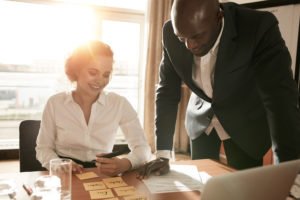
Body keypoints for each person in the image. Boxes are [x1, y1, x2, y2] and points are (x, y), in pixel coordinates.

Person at [138, 0, 300, 178]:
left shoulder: (258, 27)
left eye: (197, 36)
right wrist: (163, 154)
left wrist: (285, 168)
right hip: (201, 121)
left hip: (245, 124)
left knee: (244, 189)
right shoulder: (171, 32)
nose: (189, 45)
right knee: (200, 185)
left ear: (219, 17)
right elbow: (167, 90)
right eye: (182, 39)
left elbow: (279, 97)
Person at [36, 40, 151, 176]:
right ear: (76, 70)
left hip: (103, 174)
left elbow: (143, 148)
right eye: (93, 72)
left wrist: (124, 163)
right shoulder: (55, 103)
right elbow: (43, 149)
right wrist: (58, 164)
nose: (100, 80)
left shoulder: (119, 103)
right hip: (65, 175)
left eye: (106, 74)